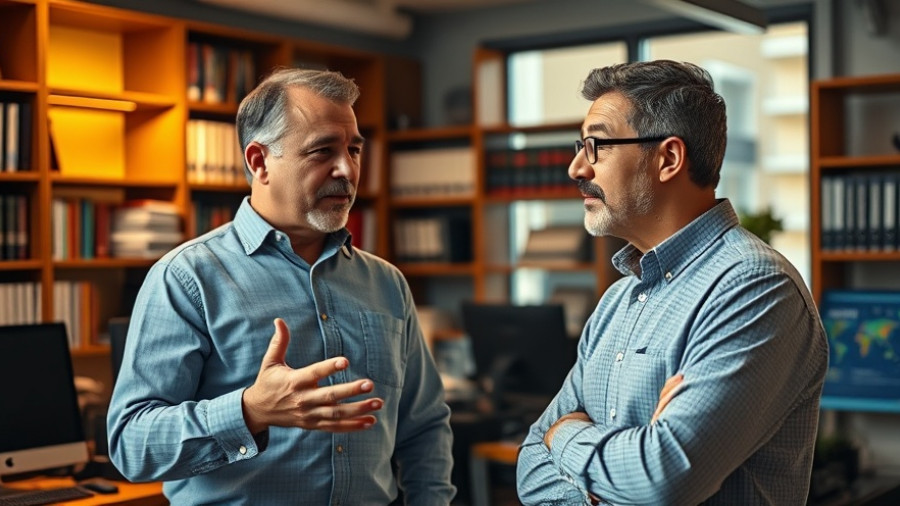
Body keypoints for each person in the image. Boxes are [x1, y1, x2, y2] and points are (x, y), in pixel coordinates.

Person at [107, 68, 455, 505]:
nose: (346, 169)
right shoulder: (187, 277)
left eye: (354, 149)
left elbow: (423, 428)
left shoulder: (386, 282)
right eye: (322, 151)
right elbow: (131, 446)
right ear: (259, 161)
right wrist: (250, 411)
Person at [516, 60, 829, 505]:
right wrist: (622, 468)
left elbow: (663, 479)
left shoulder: (755, 287)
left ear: (668, 159)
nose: (576, 168)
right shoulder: (617, 300)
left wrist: (563, 434)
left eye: (596, 146)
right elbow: (530, 469)